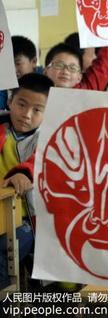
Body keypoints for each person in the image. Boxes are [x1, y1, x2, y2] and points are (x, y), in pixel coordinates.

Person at [0, 73, 55, 289]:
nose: (26, 115)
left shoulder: (48, 137)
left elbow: (41, 160)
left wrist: (25, 173)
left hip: (27, 221)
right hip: (2, 212)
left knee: (5, 256)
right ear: (10, 100)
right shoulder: (3, 129)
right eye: (21, 104)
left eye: (37, 110)